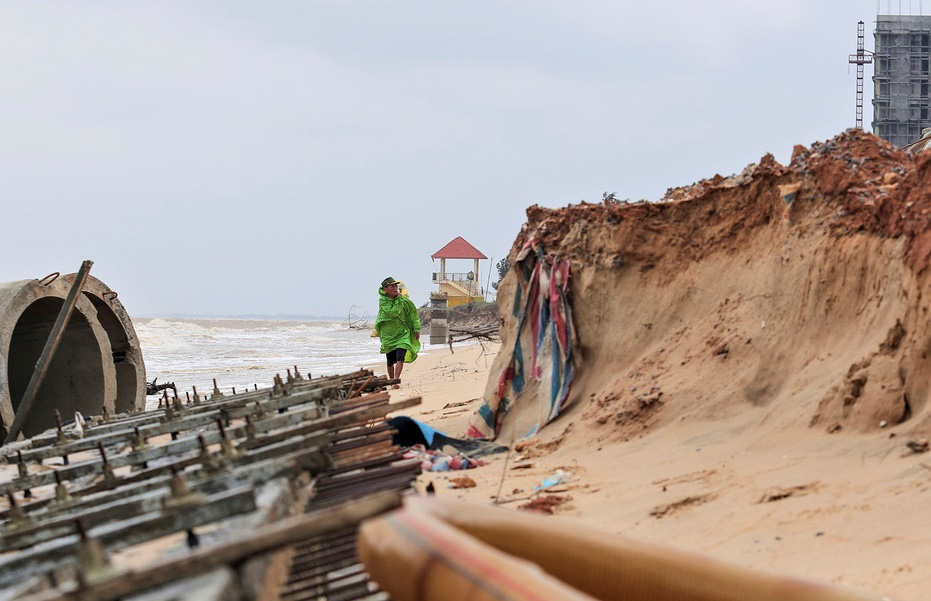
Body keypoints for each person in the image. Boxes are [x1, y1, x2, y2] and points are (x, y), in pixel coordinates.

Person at [375, 276, 421, 387]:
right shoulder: (383, 301)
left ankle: (395, 380)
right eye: (392, 286)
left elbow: (413, 313)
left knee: (401, 355)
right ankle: (391, 381)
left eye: (396, 286)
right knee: (390, 360)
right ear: (386, 289)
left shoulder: (403, 299)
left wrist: (416, 328)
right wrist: (400, 299)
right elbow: (392, 313)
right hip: (388, 334)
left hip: (402, 332)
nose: (395, 288)